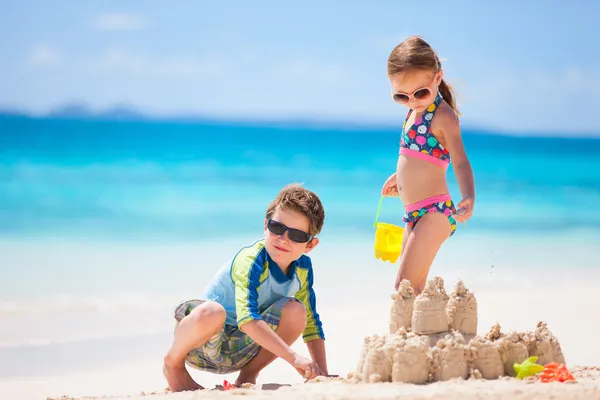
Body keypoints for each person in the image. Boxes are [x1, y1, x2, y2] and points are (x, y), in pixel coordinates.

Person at [163, 183, 330, 392]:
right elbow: (248, 319)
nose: (283, 239)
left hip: (244, 349)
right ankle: (173, 365)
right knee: (213, 311)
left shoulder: (302, 270)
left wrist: (321, 370)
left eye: (296, 236)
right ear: (265, 225)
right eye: (277, 228)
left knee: (297, 310)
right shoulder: (252, 261)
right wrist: (293, 357)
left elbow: (311, 323)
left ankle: (248, 374)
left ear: (310, 245)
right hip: (202, 344)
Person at [381, 36, 475, 294]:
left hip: (435, 212)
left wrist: (468, 195)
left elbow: (460, 160)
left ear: (437, 78)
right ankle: (425, 332)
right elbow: (419, 156)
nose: (412, 101)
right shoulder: (413, 112)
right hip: (413, 213)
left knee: (404, 286)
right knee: (414, 285)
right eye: (401, 96)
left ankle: (412, 331)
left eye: (420, 92)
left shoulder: (442, 115)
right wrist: (399, 178)